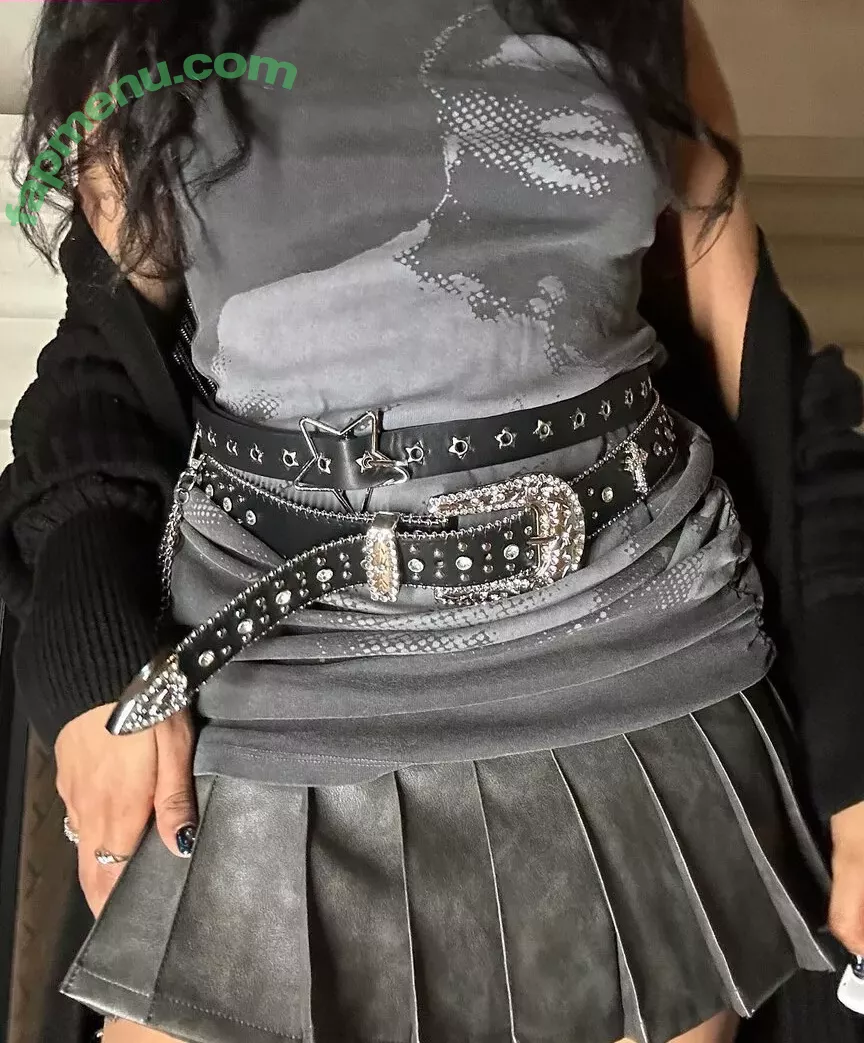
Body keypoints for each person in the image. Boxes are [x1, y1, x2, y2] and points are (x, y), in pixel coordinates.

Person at [2, 2, 864, 1042]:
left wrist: (858, 743)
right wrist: (90, 661)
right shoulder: (146, 27)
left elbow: (760, 364)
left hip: (632, 655)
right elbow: (102, 363)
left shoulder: (634, 12)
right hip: (273, 673)